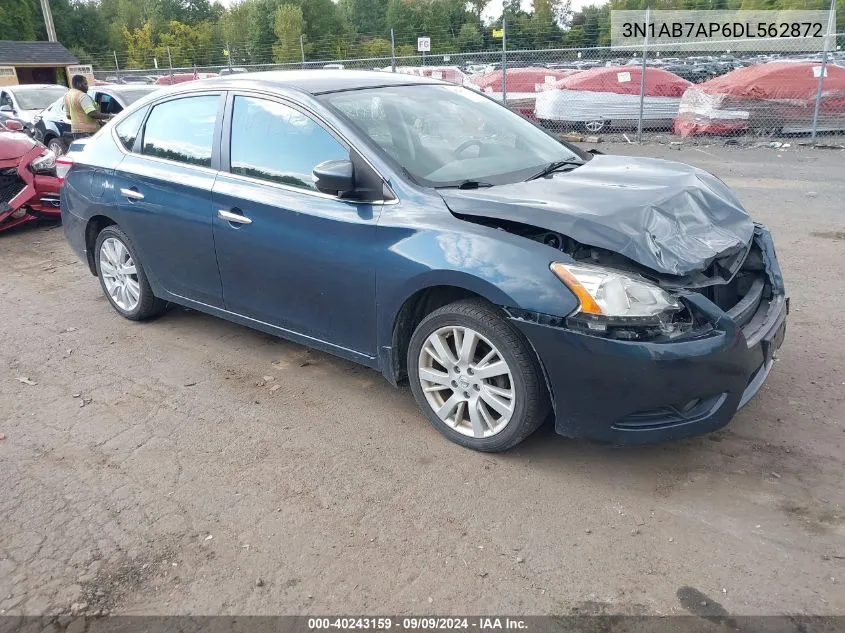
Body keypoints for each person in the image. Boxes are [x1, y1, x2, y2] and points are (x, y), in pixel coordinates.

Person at [64, 75, 111, 140]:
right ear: (79, 84)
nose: (87, 86)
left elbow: (69, 116)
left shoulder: (67, 96)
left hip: (76, 132)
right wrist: (110, 116)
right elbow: (92, 113)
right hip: (88, 132)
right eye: (85, 84)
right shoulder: (82, 96)